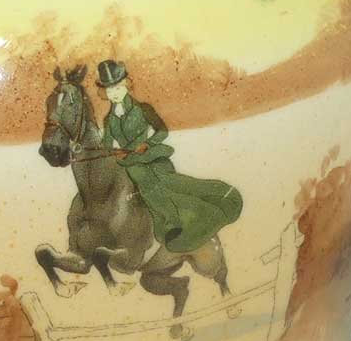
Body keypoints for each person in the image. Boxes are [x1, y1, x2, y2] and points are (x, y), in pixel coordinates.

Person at [96, 59, 243, 252]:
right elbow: (107, 145)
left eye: (117, 87)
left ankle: (174, 220)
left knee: (161, 179)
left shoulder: (143, 109)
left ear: (126, 84)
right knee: (134, 173)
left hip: (151, 156)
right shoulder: (109, 120)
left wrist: (146, 144)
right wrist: (113, 152)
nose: (114, 93)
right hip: (129, 162)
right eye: (109, 90)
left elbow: (162, 132)